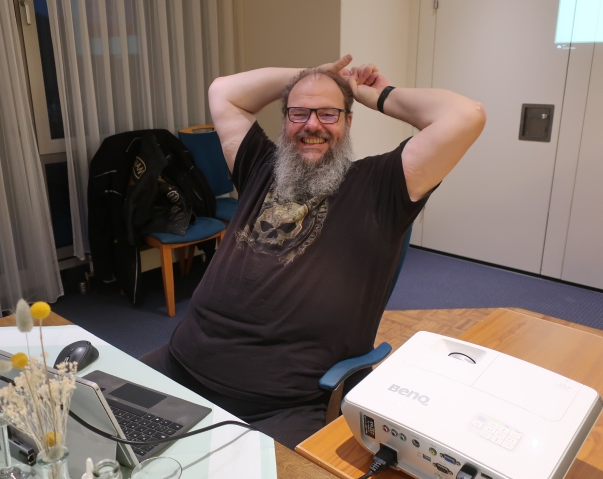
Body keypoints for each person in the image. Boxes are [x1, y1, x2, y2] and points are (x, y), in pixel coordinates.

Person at [141, 54, 486, 448]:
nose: (312, 125)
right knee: (93, 431)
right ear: (286, 120)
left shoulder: (381, 186)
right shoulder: (261, 167)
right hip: (179, 365)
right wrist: (314, 76)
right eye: (299, 113)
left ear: (348, 121)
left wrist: (373, 94)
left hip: (276, 407)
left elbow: (466, 115)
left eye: (328, 114)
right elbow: (224, 91)